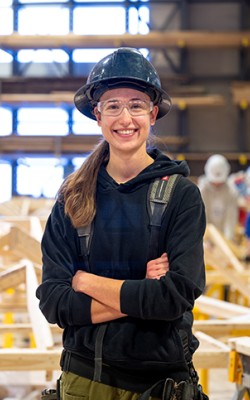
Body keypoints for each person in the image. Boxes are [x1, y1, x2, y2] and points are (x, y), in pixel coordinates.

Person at [36, 47, 207, 400]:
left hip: (159, 387)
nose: (125, 117)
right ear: (97, 116)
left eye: (136, 104)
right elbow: (54, 302)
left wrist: (85, 281)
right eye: (113, 105)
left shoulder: (181, 197)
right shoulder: (72, 199)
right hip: (83, 383)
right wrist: (141, 289)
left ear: (153, 113)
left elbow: (173, 298)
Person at [198, 154, 239, 242]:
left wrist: (226, 241)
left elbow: (230, 220)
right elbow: (202, 218)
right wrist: (206, 239)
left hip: (224, 236)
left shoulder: (231, 191)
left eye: (219, 182)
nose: (217, 184)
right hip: (206, 238)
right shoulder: (202, 190)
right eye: (214, 182)